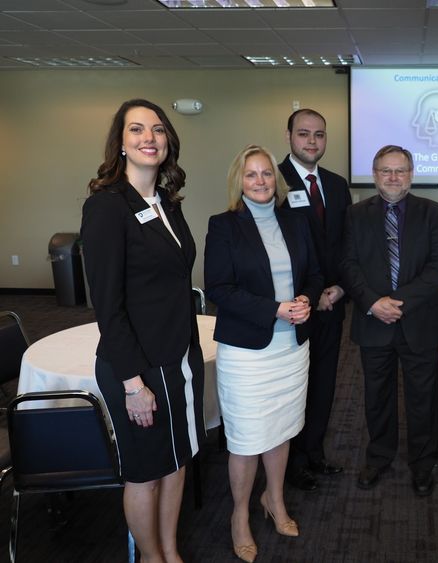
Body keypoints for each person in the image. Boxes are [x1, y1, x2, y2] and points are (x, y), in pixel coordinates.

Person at [81, 99, 205, 563]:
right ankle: (152, 559)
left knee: (176, 462)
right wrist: (133, 384)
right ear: (121, 143)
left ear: (169, 140)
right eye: (136, 130)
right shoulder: (107, 207)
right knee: (145, 472)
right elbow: (107, 306)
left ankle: (171, 551)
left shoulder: (166, 203)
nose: (148, 138)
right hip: (137, 366)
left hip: (178, 356)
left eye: (157, 129)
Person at [204, 145, 323, 562]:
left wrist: (306, 298)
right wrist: (274, 309)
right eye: (251, 175)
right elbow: (219, 288)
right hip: (248, 352)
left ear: (277, 179)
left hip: (291, 348)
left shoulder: (296, 220)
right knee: (247, 438)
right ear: (240, 180)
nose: (260, 181)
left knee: (283, 426)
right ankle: (240, 514)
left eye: (267, 174)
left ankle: (274, 500)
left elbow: (314, 272)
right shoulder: (223, 226)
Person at [341, 145, 438, 497]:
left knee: (423, 398)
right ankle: (379, 456)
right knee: (377, 395)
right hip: (373, 321)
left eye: (400, 170)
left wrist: (396, 302)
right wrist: (374, 303)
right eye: (385, 171)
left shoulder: (434, 212)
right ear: (374, 175)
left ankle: (423, 463)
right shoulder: (355, 214)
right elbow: (348, 264)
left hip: (418, 321)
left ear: (411, 174)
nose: (393, 177)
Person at [278, 109, 352, 491]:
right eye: (304, 133)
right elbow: (273, 250)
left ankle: (315, 454)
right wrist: (310, 294)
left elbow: (345, 245)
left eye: (319, 135)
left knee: (324, 384)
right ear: (289, 135)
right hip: (293, 308)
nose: (312, 141)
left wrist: (339, 288)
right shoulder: (271, 180)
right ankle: (289, 464)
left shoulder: (337, 185)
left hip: (332, 303)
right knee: (294, 386)